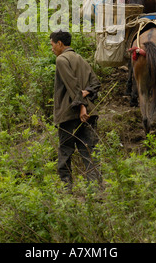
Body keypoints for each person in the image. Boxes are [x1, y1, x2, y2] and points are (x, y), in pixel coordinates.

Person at [50, 29, 101, 190]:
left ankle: (67, 190)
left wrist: (81, 106)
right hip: (88, 115)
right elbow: (95, 84)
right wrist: (86, 94)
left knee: (65, 152)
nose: (52, 49)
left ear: (59, 44)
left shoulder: (61, 60)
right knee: (89, 151)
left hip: (70, 115)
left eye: (52, 45)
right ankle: (96, 191)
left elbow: (72, 85)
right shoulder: (80, 59)